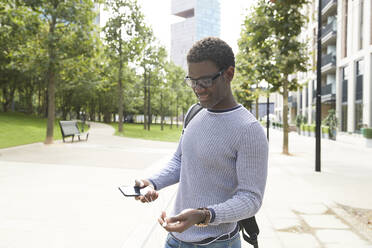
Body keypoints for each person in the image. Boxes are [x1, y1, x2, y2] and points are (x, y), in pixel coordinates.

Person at [134, 37, 268, 248]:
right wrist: (151, 182)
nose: (198, 88)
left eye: (205, 81)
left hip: (217, 243)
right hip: (175, 240)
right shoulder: (194, 112)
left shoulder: (249, 130)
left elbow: (251, 199)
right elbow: (180, 161)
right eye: (192, 81)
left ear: (229, 74)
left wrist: (205, 215)